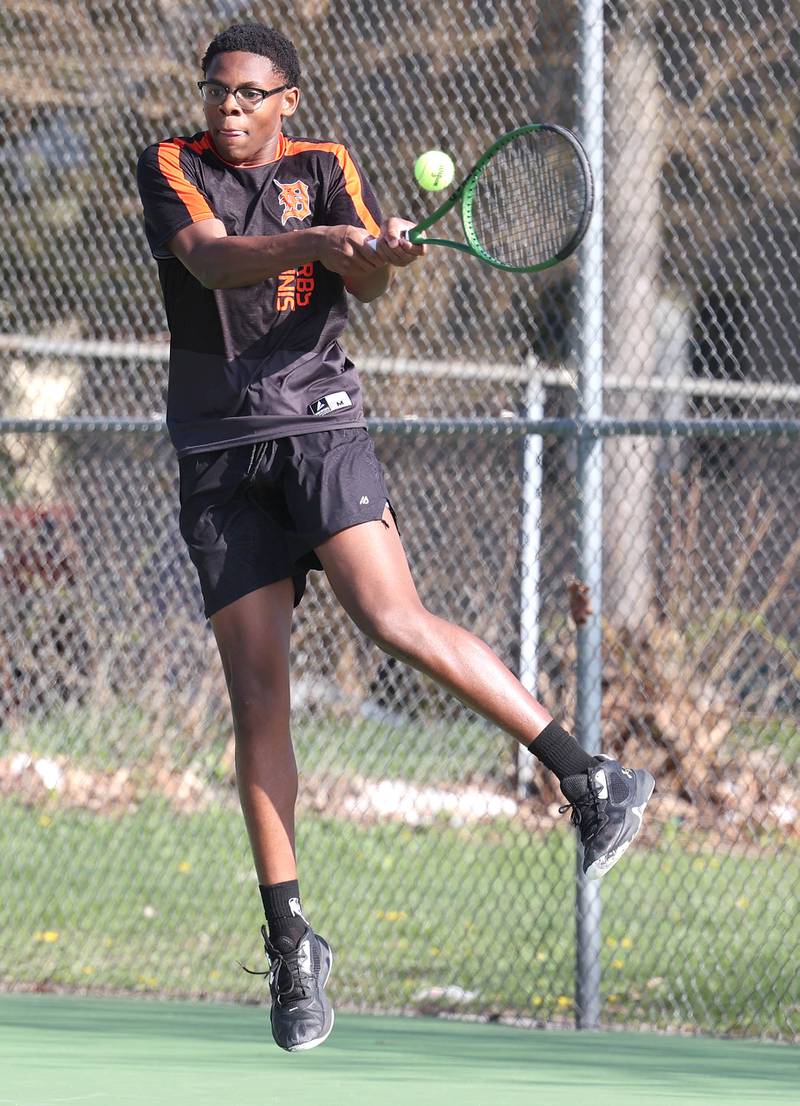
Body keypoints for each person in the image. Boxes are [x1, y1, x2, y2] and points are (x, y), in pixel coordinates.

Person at [136, 22, 655, 1053]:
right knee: (256, 695)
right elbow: (208, 262)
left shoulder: (328, 166)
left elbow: (366, 281)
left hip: (319, 421)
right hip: (219, 452)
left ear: (288, 100)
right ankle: (292, 941)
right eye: (215, 93)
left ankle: (585, 774)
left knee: (389, 615)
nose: (226, 110)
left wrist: (377, 253)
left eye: (248, 94)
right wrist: (320, 245)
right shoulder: (168, 165)